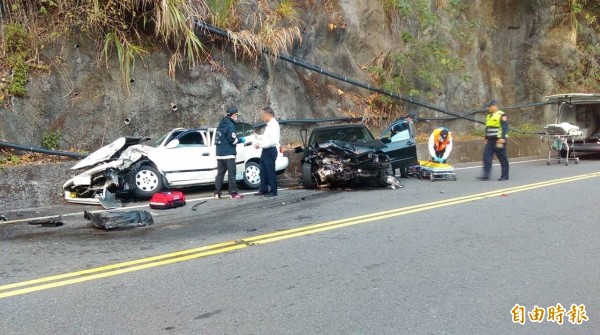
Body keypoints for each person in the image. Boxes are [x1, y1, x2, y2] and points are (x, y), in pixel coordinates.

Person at [214, 106, 246, 199]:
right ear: (233, 115)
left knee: (220, 174)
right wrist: (241, 140)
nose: (237, 117)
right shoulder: (231, 125)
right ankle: (233, 193)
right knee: (232, 174)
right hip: (229, 154)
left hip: (219, 154)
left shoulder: (221, 124)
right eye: (236, 115)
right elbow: (233, 140)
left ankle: (217, 193)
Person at [479, 99, 509, 181]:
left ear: (495, 106)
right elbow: (487, 127)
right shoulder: (489, 116)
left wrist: (503, 138)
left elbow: (505, 127)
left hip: (498, 140)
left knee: (502, 158)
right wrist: (486, 137)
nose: (488, 108)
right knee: (486, 157)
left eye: (490, 106)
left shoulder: (501, 115)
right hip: (490, 140)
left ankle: (504, 175)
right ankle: (486, 175)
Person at [254, 107, 280, 197]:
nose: (262, 117)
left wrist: (260, 145)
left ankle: (273, 191)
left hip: (270, 150)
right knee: (263, 171)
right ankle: (263, 189)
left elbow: (272, 141)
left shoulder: (273, 125)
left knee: (270, 171)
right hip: (265, 151)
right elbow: (266, 137)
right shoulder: (269, 125)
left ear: (268, 114)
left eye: (263, 115)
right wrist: (258, 137)